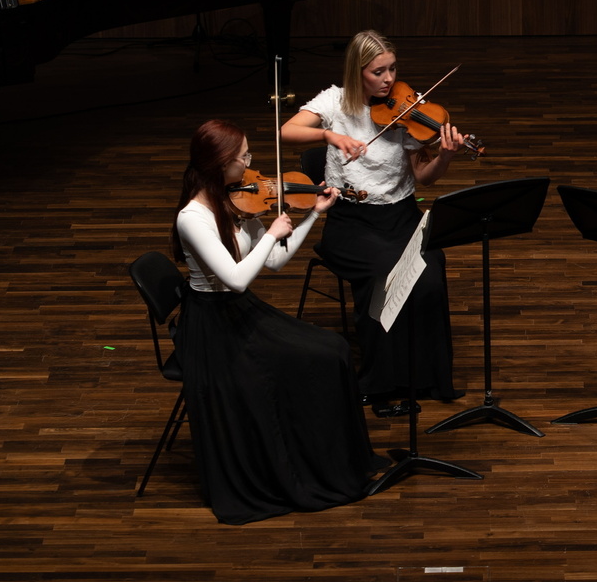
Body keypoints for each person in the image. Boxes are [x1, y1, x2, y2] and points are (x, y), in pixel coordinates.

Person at [170, 119, 386, 525]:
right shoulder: (193, 218)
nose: (252, 165)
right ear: (219, 164)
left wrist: (310, 218)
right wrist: (271, 233)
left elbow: (274, 262)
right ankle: (303, 466)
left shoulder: (236, 198)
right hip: (213, 326)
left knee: (334, 348)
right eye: (243, 157)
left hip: (239, 311)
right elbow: (234, 280)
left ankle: (335, 462)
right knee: (313, 361)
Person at [280, 30, 466, 408]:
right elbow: (287, 131)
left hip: (401, 215)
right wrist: (331, 137)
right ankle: (382, 382)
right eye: (378, 72)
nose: (389, 80)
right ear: (357, 72)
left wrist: (444, 156)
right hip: (350, 221)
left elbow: (422, 177)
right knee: (386, 276)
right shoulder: (334, 101)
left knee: (429, 271)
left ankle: (427, 378)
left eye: (393, 69)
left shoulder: (408, 110)